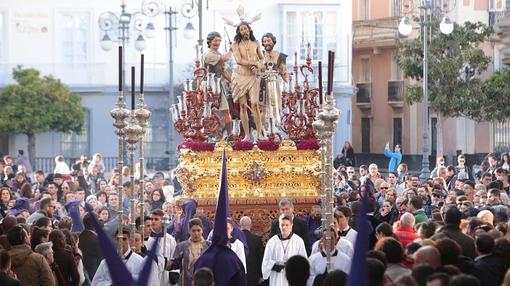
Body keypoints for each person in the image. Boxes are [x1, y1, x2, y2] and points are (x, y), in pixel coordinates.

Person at [231, 21, 265, 141]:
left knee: (255, 104)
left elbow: (262, 59)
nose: (244, 31)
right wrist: (254, 63)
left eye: (245, 29)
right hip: (240, 77)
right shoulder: (235, 44)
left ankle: (260, 133)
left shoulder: (256, 43)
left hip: (253, 77)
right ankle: (246, 135)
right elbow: (239, 60)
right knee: (243, 106)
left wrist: (259, 66)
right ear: (239, 32)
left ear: (249, 30)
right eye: (241, 30)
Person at [92, 227, 158, 286]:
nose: (121, 242)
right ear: (115, 240)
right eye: (118, 239)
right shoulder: (105, 262)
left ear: (129, 240)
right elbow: (96, 282)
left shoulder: (139, 261)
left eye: (124, 239)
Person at [262, 214, 307, 286]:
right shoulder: (272, 241)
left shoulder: (298, 241)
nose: (284, 227)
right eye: (282, 225)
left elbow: (303, 261)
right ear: (279, 225)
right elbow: (266, 261)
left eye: (287, 225)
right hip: (277, 278)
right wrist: (274, 265)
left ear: (291, 225)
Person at [204, 31, 233, 138]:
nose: (217, 43)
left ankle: (230, 135)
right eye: (215, 40)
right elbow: (224, 59)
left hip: (219, 86)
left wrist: (234, 83)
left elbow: (224, 72)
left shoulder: (218, 54)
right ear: (210, 42)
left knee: (226, 111)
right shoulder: (209, 55)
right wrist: (231, 50)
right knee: (209, 112)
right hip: (209, 86)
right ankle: (212, 135)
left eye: (219, 41)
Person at [168, 218, 211, 286]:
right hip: (186, 281)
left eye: (198, 230)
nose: (196, 233)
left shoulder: (209, 246)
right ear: (189, 231)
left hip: (204, 282)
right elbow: (175, 264)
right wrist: (165, 262)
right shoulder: (181, 246)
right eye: (193, 231)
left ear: (202, 230)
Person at [259, 32, 288, 132]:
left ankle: (275, 129)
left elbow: (284, 73)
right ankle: (263, 131)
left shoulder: (280, 56)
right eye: (265, 41)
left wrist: (290, 86)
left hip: (275, 85)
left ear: (273, 42)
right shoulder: (260, 55)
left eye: (268, 40)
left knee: (276, 106)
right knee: (262, 108)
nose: (267, 43)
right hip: (262, 85)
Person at [239, 216, 264, 286]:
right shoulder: (257, 239)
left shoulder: (236, 239)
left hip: (239, 273)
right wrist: (261, 275)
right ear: (250, 225)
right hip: (253, 274)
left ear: (240, 225)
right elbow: (260, 259)